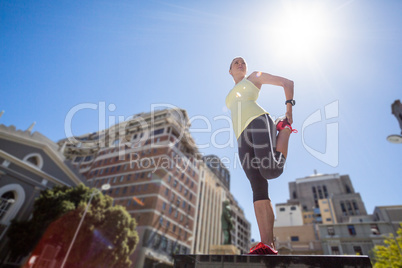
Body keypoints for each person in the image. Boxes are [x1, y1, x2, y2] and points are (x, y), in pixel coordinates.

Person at [225, 57, 297, 255]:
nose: (240, 63)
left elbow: (287, 83)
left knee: (271, 171)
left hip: (259, 121)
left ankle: (284, 130)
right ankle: (267, 245)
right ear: (230, 71)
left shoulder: (254, 77)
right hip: (241, 136)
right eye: (235, 62)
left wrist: (288, 109)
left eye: (242, 62)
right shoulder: (230, 93)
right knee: (257, 186)